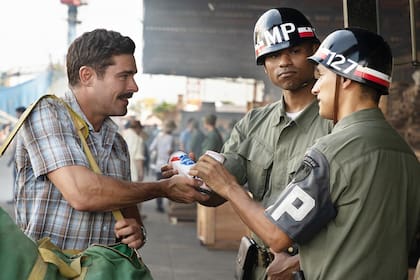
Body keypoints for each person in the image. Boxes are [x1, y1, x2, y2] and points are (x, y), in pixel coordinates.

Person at [191, 27, 420, 279]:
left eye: (321, 76)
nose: (315, 88)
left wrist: (228, 186)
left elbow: (276, 235)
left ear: (344, 79)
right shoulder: (406, 157)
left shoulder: (332, 151)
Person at [14, 29, 208, 251]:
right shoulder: (47, 113)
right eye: (124, 76)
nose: (134, 87)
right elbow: (83, 193)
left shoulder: (117, 142)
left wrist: (136, 232)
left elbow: (129, 213)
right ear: (87, 76)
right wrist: (162, 188)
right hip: (47, 272)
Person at [183, 7, 331, 279]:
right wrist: (194, 181)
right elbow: (218, 191)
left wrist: (300, 262)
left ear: (315, 51)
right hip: (258, 268)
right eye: (273, 55)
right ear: (264, 65)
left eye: (295, 51)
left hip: (311, 270)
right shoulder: (253, 124)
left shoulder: (335, 124)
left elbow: (354, 213)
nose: (284, 62)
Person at [149, 119, 178, 212]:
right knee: (171, 186)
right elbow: (169, 150)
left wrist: (158, 151)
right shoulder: (171, 138)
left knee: (159, 186)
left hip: (158, 164)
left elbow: (151, 147)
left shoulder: (158, 136)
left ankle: (159, 206)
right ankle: (171, 206)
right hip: (168, 165)